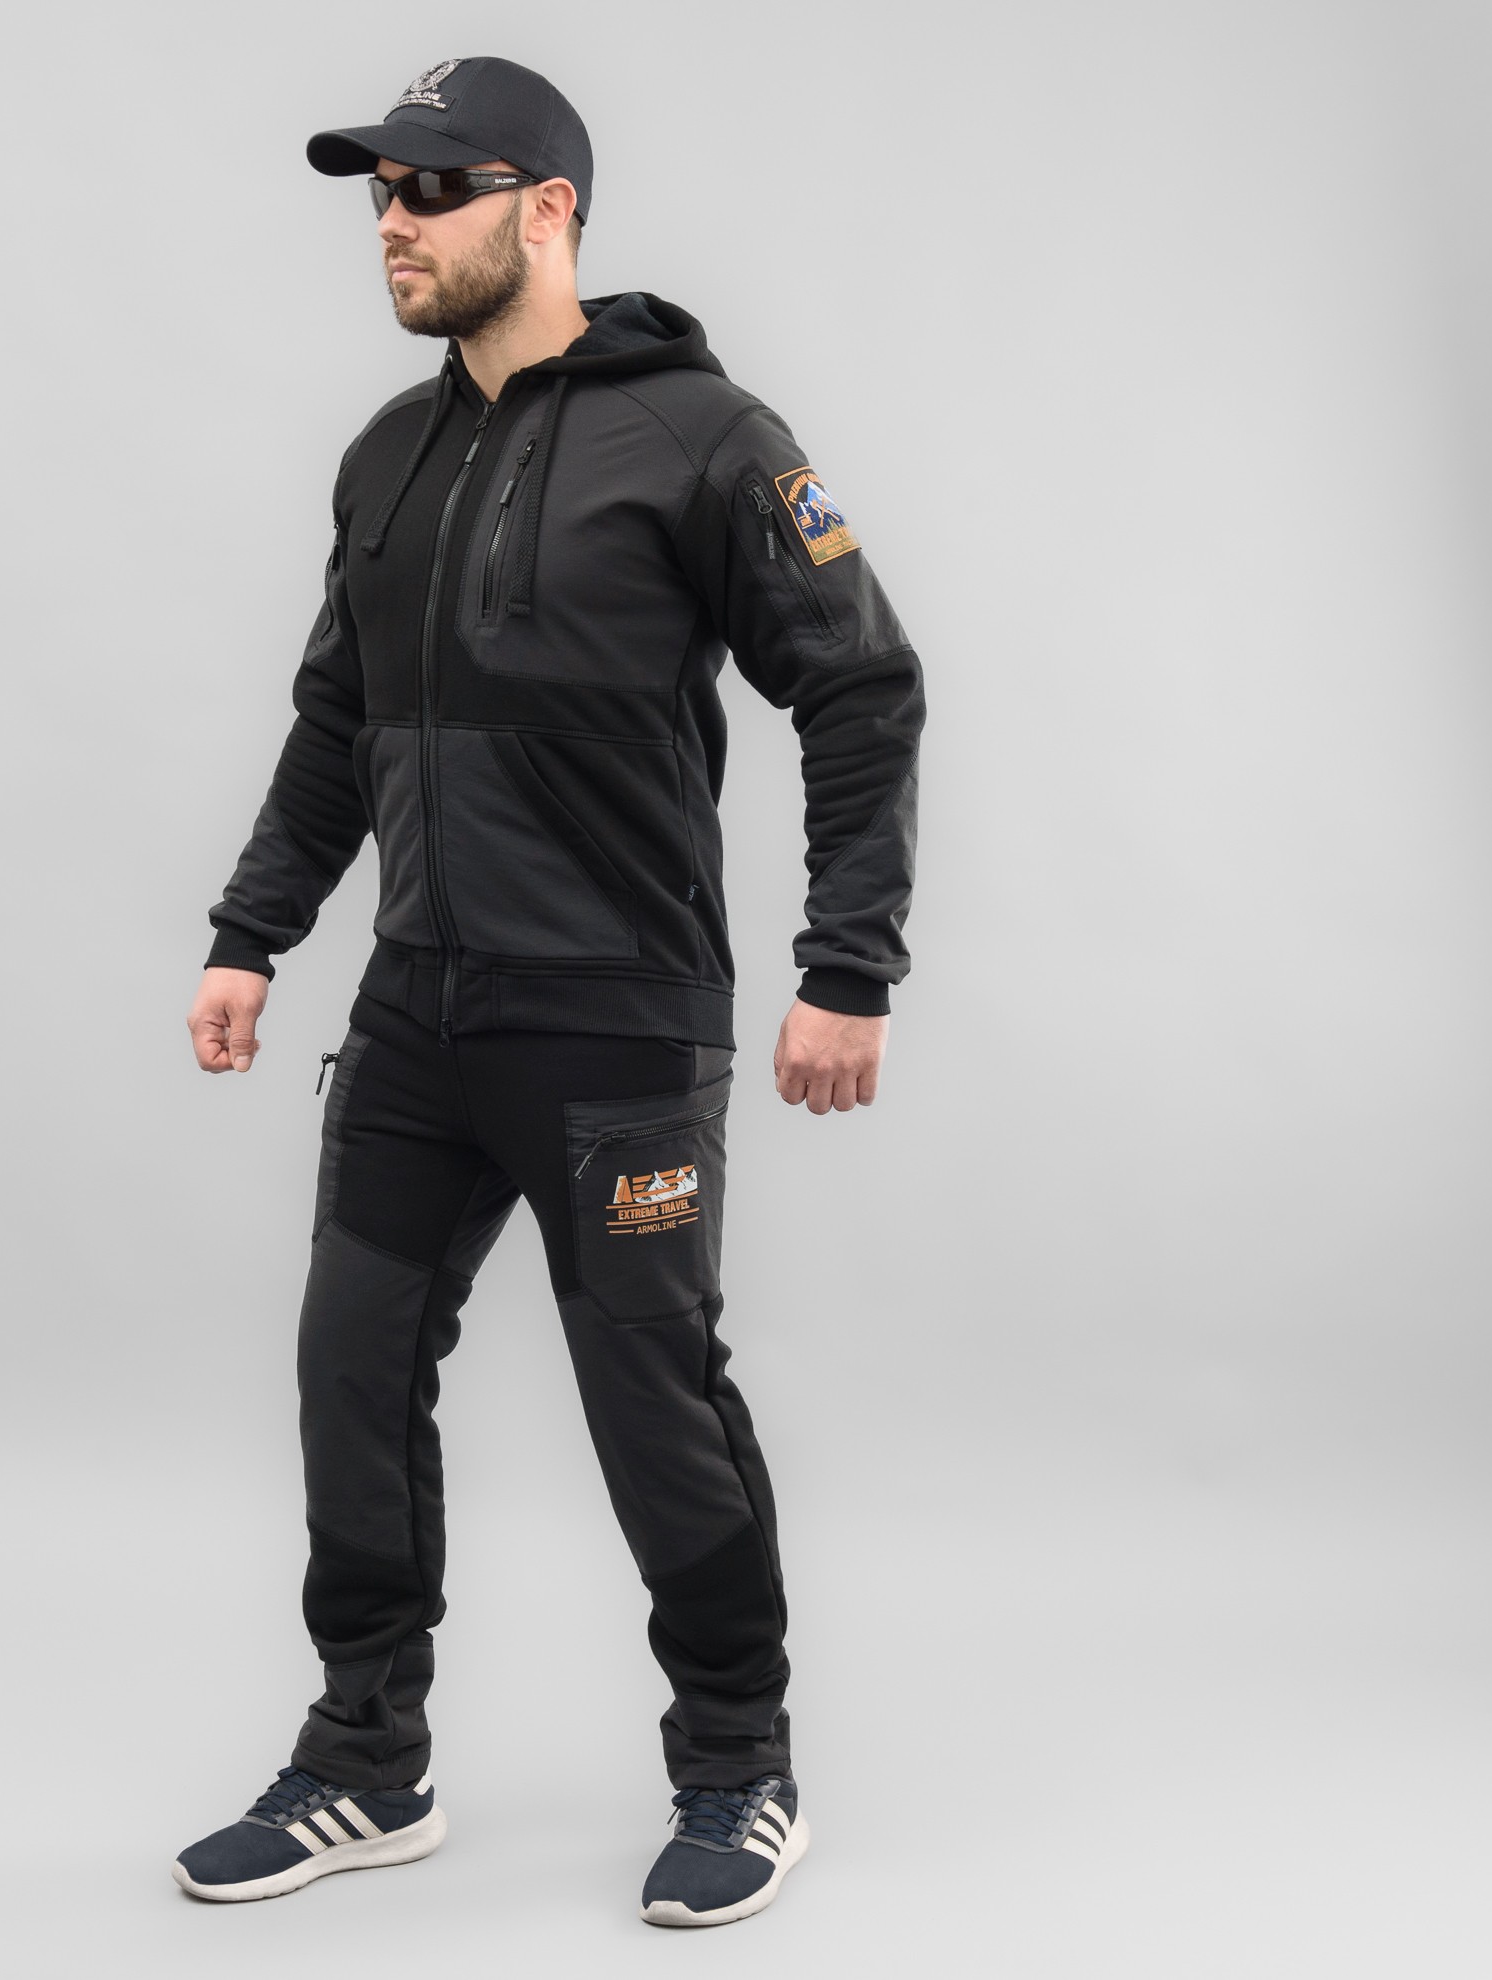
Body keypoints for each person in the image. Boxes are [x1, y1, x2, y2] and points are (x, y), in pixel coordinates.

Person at [172, 55, 924, 1929]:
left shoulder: (707, 439)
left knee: (651, 1399)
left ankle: (739, 1765)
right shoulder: (387, 454)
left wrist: (849, 965)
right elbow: (337, 723)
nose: (395, 222)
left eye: (434, 188)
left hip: (614, 1024)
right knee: (348, 1374)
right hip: (419, 1014)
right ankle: (368, 1760)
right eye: (379, 193)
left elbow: (861, 685)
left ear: (551, 208)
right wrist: (253, 932)